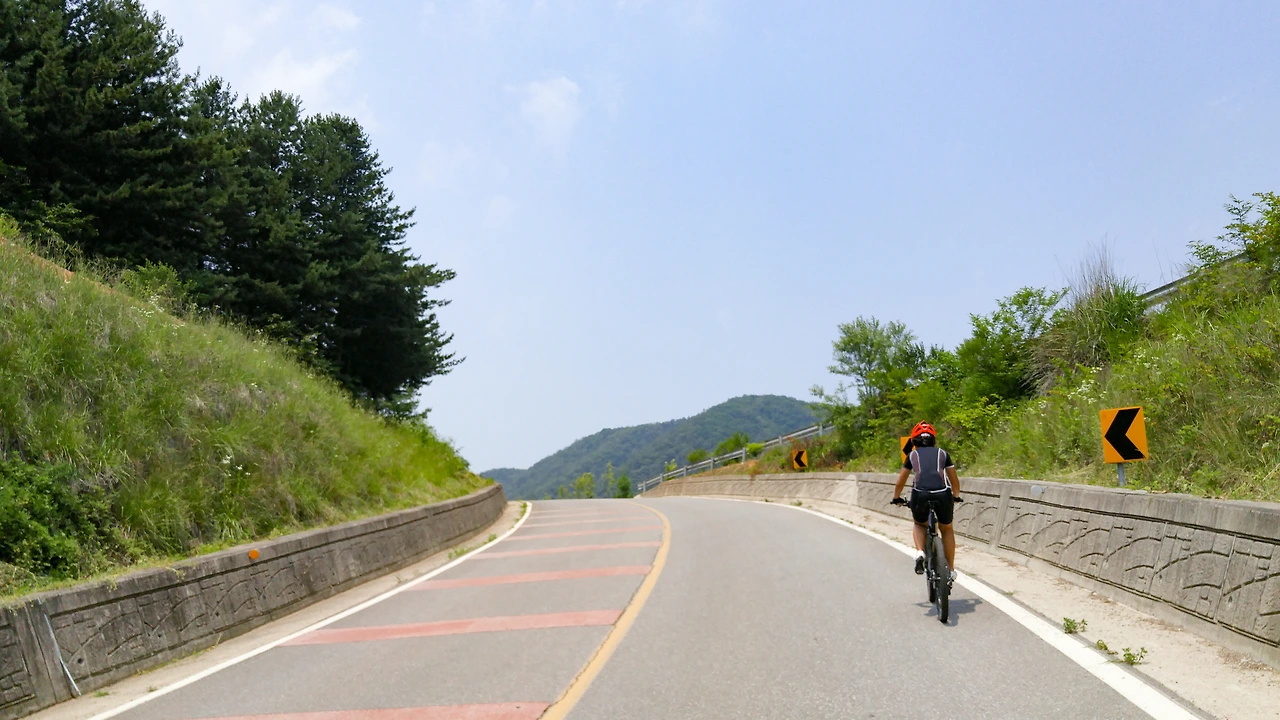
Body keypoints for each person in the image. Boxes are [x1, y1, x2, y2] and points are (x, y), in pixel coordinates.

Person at [891, 422, 963, 582]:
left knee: (919, 524)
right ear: (933, 440)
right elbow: (953, 479)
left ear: (914, 441)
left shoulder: (912, 456)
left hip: (920, 494)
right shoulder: (943, 454)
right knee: (946, 528)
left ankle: (920, 552)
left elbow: (900, 480)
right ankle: (951, 570)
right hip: (943, 494)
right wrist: (956, 495)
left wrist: (896, 497)